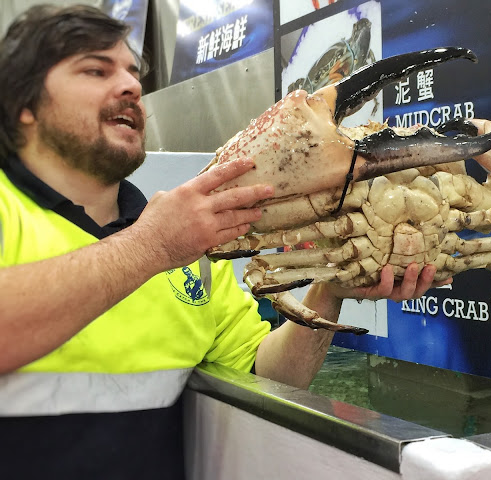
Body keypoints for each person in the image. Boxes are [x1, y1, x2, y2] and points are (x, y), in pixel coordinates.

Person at [0, 4, 441, 479]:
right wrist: (152, 245)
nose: (130, 86)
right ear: (23, 104)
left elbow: (268, 378)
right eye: (95, 70)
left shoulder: (190, 254)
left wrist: (328, 289)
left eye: (132, 72)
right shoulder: (145, 237)